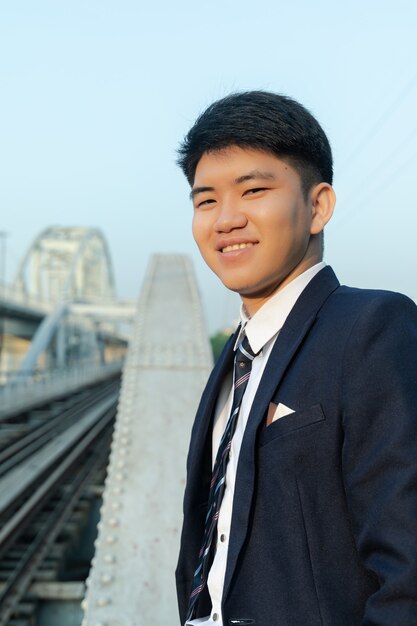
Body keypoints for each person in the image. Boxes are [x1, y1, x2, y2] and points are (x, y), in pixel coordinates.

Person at [175, 91, 417, 626]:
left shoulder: (370, 328)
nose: (225, 219)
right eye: (205, 200)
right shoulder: (232, 364)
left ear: (317, 205)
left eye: (255, 190)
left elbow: (408, 571)